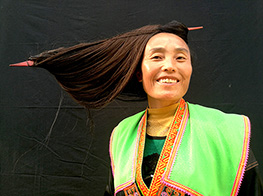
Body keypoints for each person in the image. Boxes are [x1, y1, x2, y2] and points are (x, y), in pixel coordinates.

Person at [11, 21, 262, 195]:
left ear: (189, 70)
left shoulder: (226, 132)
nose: (170, 66)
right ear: (139, 73)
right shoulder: (122, 134)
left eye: (180, 57)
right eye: (156, 56)